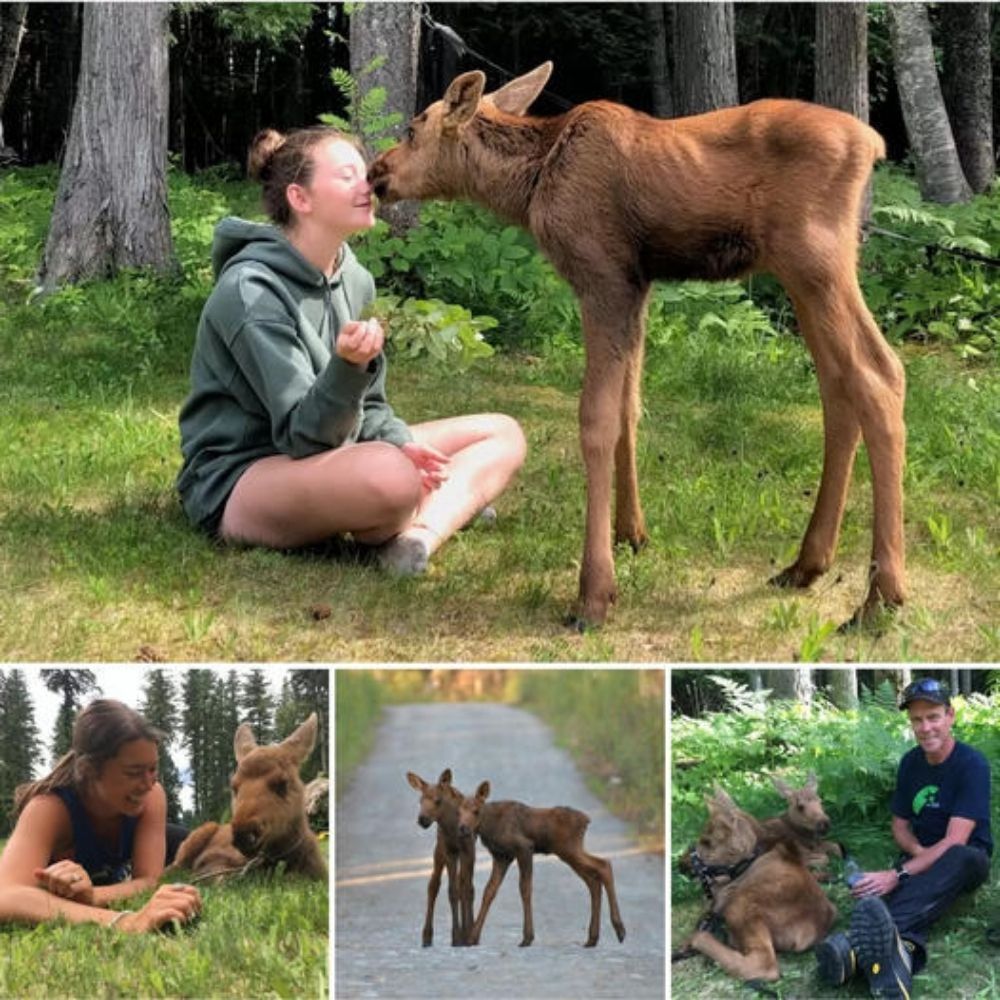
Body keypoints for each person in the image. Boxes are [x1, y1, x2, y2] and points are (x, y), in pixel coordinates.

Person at [176, 125, 527, 574]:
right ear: (300, 199)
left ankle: (416, 538)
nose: (368, 184)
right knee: (391, 477)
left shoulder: (354, 276)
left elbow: (372, 405)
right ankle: (442, 500)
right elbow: (303, 438)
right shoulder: (250, 292)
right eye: (347, 176)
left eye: (363, 172)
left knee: (501, 433)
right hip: (246, 476)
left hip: (339, 453)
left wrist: (398, 439)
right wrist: (347, 368)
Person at [816, 678, 993, 999]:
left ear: (950, 716)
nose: (925, 727)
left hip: (965, 860)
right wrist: (915, 856)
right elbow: (899, 826)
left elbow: (955, 841)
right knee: (907, 904)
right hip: (919, 857)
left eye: (933, 717)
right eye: (917, 719)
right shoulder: (911, 763)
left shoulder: (972, 765)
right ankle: (901, 956)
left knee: (960, 856)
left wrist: (898, 874)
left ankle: (853, 948)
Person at [0, 699, 200, 933]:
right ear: (88, 770)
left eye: (153, 769)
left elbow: (148, 881)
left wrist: (93, 896)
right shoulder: (49, 808)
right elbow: (7, 895)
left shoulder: (152, 796)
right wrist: (125, 921)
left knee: (199, 844)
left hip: (161, 842)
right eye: (133, 772)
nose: (148, 783)